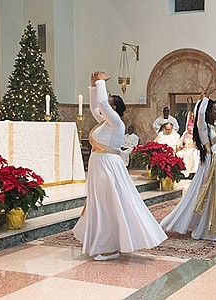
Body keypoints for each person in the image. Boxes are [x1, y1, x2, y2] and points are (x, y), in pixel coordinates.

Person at [72, 71, 167, 261]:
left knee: (107, 204)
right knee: (100, 203)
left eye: (108, 100)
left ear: (113, 107)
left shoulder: (116, 122)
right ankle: (104, 243)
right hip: (100, 165)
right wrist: (93, 86)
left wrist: (100, 83)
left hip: (108, 166)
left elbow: (102, 104)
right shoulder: (106, 122)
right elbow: (94, 108)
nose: (104, 102)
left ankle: (109, 247)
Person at [160, 93, 216, 240]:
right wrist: (203, 99)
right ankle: (207, 227)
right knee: (209, 194)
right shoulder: (203, 127)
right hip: (210, 164)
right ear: (208, 112)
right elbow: (200, 114)